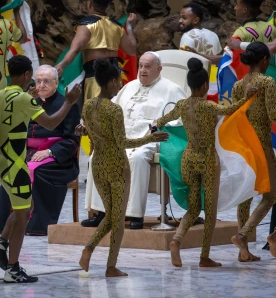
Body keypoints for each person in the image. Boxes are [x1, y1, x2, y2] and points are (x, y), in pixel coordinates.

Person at [0, 55, 81, 283]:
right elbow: (49, 123)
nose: (39, 86)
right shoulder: (25, 99)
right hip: (17, 162)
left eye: (45, 81)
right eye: (36, 79)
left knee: (24, 206)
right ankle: (13, 268)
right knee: (22, 217)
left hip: (0, 160)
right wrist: (69, 102)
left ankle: (0, 244)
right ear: (28, 76)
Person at [155, 58, 255, 268]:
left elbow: (162, 121)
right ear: (203, 86)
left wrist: (157, 125)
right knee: (210, 212)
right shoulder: (209, 106)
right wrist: (248, 96)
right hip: (207, 161)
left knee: (192, 209)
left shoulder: (183, 105)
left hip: (188, 159)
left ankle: (176, 240)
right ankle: (204, 256)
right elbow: (233, 110)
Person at [79, 59, 169, 277]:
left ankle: (91, 250)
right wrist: (149, 137)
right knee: (116, 220)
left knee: (111, 216)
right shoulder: (114, 109)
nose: (120, 85)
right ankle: (108, 263)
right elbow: (123, 143)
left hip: (98, 165)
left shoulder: (88, 105)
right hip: (117, 166)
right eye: (118, 81)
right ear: (111, 82)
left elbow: (87, 132)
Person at [84, 52, 187, 229]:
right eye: (140, 66)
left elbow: (182, 118)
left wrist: (161, 124)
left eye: (148, 66)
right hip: (122, 139)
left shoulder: (172, 89)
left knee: (137, 158)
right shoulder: (129, 87)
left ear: (159, 69)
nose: (142, 70)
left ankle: (134, 215)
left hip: (150, 140)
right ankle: (101, 212)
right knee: (96, 156)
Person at [230, 42, 276, 262]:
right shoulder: (267, 82)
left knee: (245, 196)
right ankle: (242, 234)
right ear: (265, 60)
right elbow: (273, 114)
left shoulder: (239, 85)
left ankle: (244, 252)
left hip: (243, 145)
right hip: (262, 144)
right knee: (270, 196)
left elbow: (233, 113)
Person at [54, 0, 137, 102]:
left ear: (90, 2)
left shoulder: (86, 25)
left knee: (94, 117)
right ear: (107, 5)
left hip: (96, 81)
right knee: (115, 115)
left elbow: (75, 49)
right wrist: (129, 26)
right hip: (116, 81)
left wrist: (61, 65)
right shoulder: (117, 26)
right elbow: (132, 50)